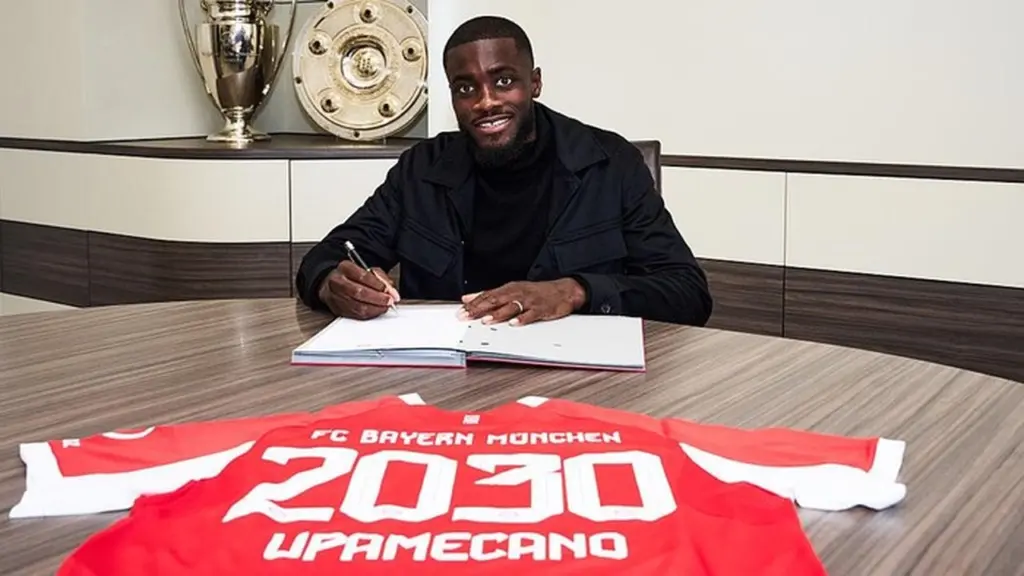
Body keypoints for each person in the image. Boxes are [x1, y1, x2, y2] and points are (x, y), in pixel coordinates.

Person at [296, 15, 713, 327]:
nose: (485, 102)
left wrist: (575, 291)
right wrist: (333, 284)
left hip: (574, 384)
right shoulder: (421, 168)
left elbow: (687, 293)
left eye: (503, 81)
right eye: (465, 88)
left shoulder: (611, 163)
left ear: (535, 83)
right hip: (442, 382)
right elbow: (327, 257)